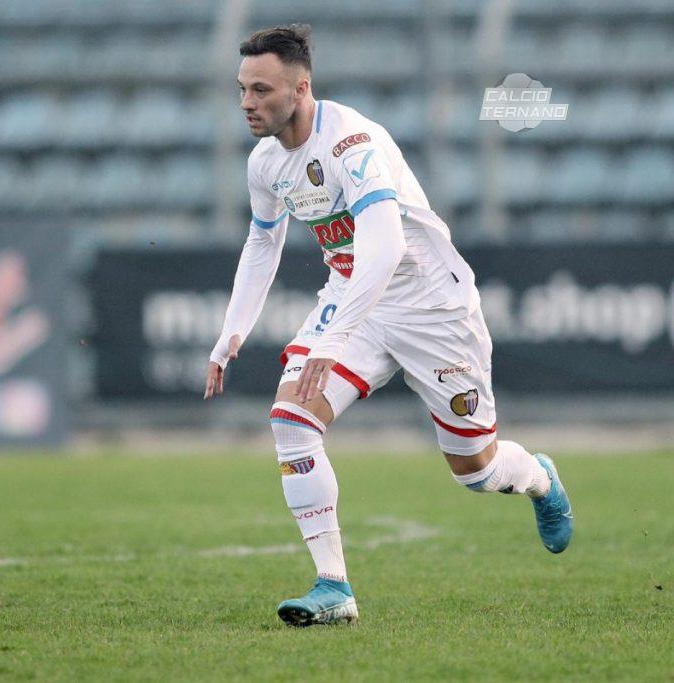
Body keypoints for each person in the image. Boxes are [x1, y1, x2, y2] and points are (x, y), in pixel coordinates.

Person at [203, 24, 573, 627]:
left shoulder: (353, 142)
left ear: (301, 89)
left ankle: (538, 478)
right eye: (242, 89)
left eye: (260, 90)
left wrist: (331, 335)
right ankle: (334, 589)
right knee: (292, 420)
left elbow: (385, 243)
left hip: (431, 305)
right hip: (355, 298)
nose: (246, 103)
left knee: (475, 470)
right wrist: (231, 331)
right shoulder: (265, 163)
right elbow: (262, 242)